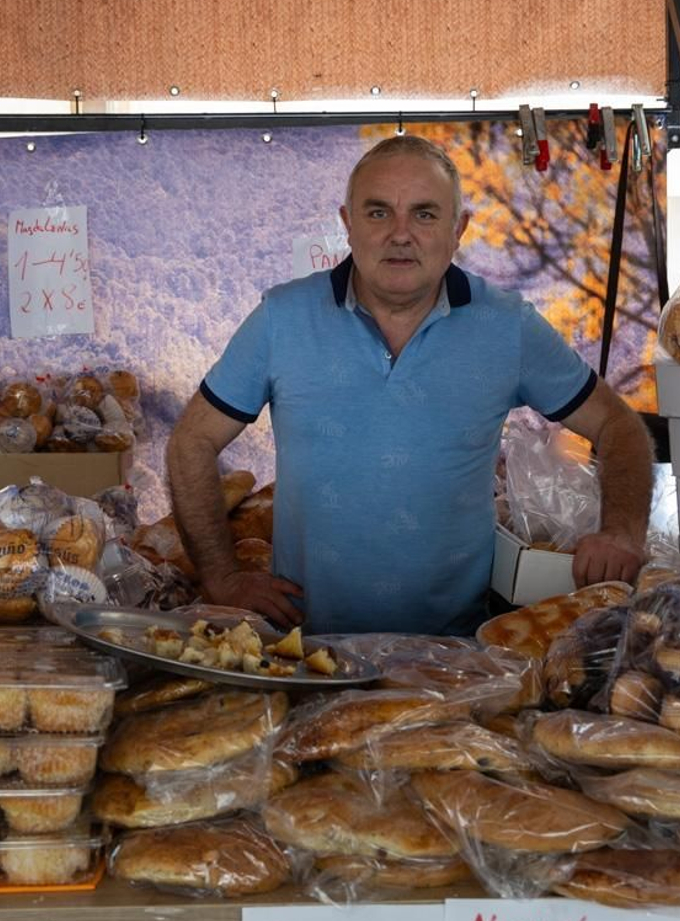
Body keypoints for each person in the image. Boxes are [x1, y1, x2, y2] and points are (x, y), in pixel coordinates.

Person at [165, 134, 653, 634]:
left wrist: (622, 531)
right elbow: (192, 441)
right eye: (378, 212)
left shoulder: (508, 327)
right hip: (305, 653)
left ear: (458, 228)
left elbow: (618, 425)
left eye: (424, 214)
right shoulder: (281, 319)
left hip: (456, 657)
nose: (401, 234)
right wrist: (221, 577)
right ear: (348, 224)